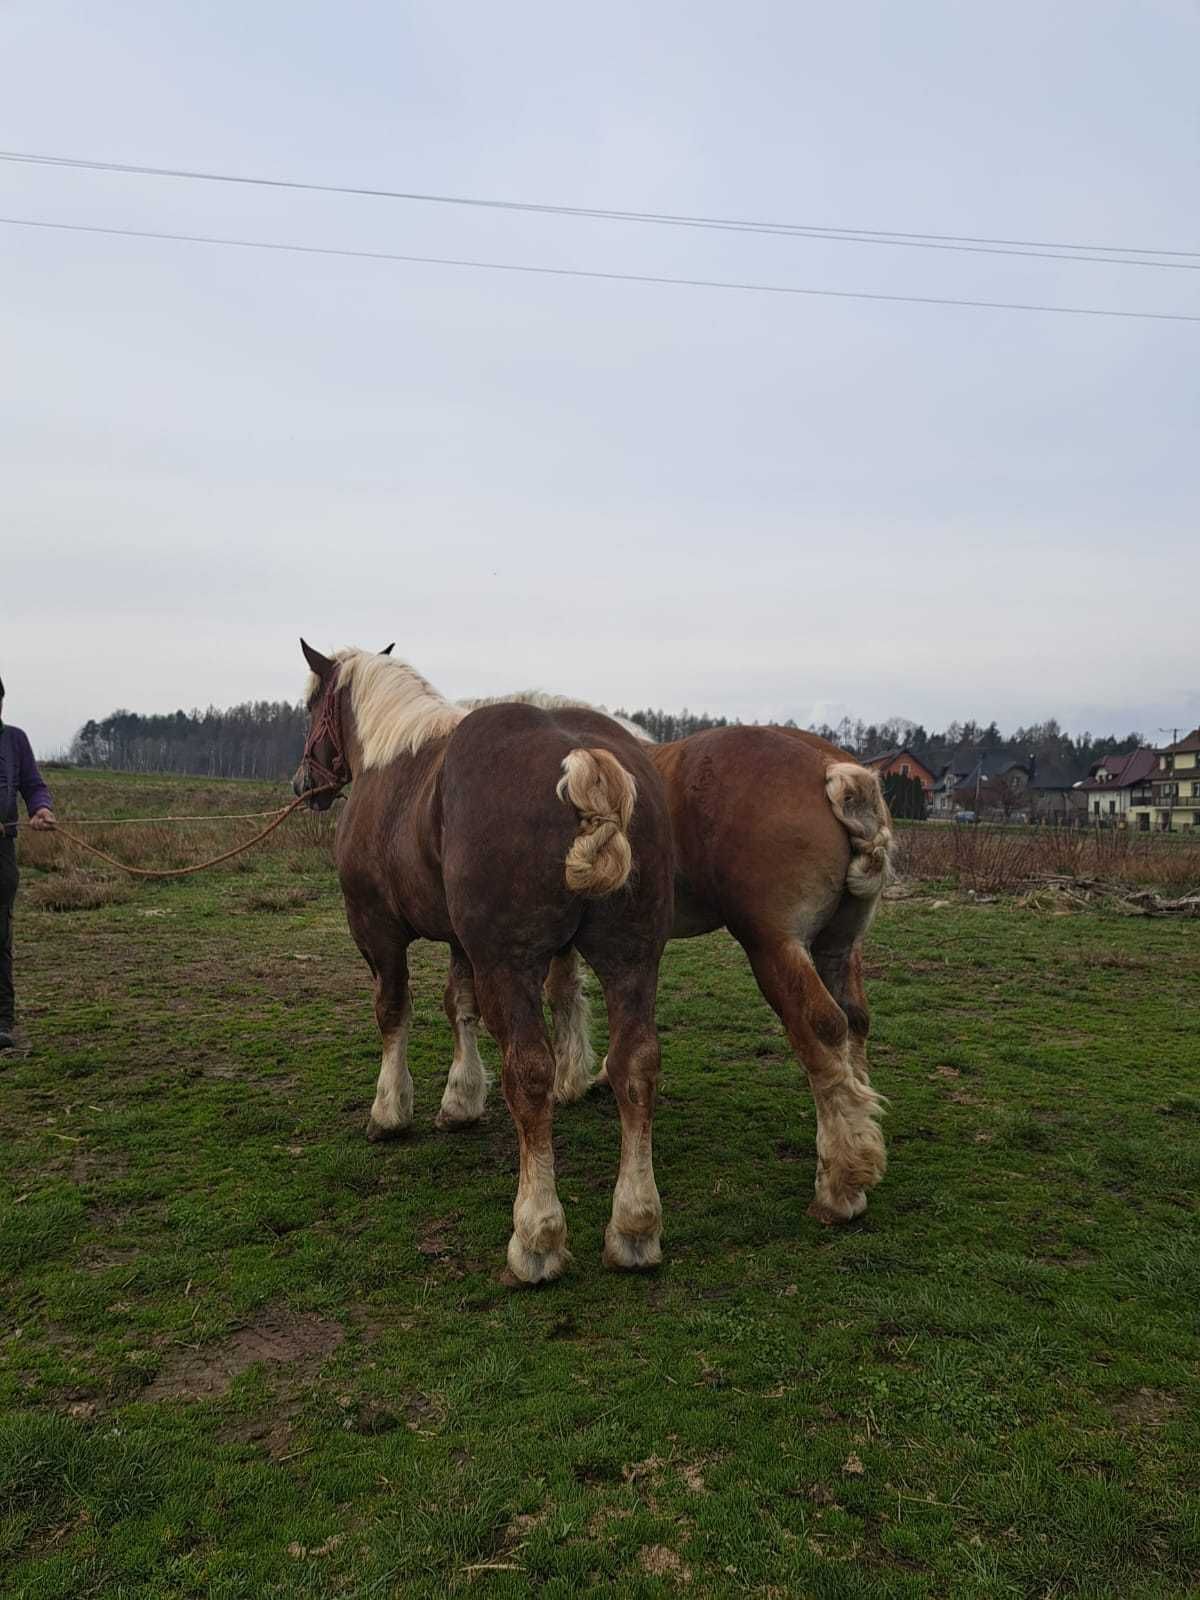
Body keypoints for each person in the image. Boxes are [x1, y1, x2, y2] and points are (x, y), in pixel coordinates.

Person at [1, 674, 56, 1051]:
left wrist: (40, 809)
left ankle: (2, 1021)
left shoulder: (14, 740)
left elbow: (33, 784)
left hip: (2, 852)